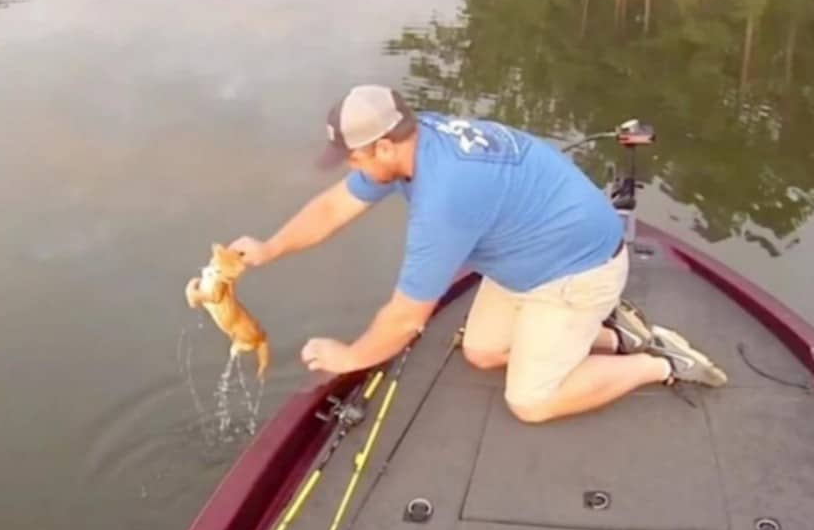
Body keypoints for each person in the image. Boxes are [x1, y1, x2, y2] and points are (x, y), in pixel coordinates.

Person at [229, 84, 727, 423]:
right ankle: (617, 336)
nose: (352, 167)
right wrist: (269, 248)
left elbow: (405, 319)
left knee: (531, 401)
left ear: (384, 147)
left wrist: (351, 358)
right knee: (483, 352)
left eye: (355, 156)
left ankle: (661, 362)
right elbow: (337, 205)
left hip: (578, 271)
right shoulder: (414, 138)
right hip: (525, 260)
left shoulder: (445, 197)